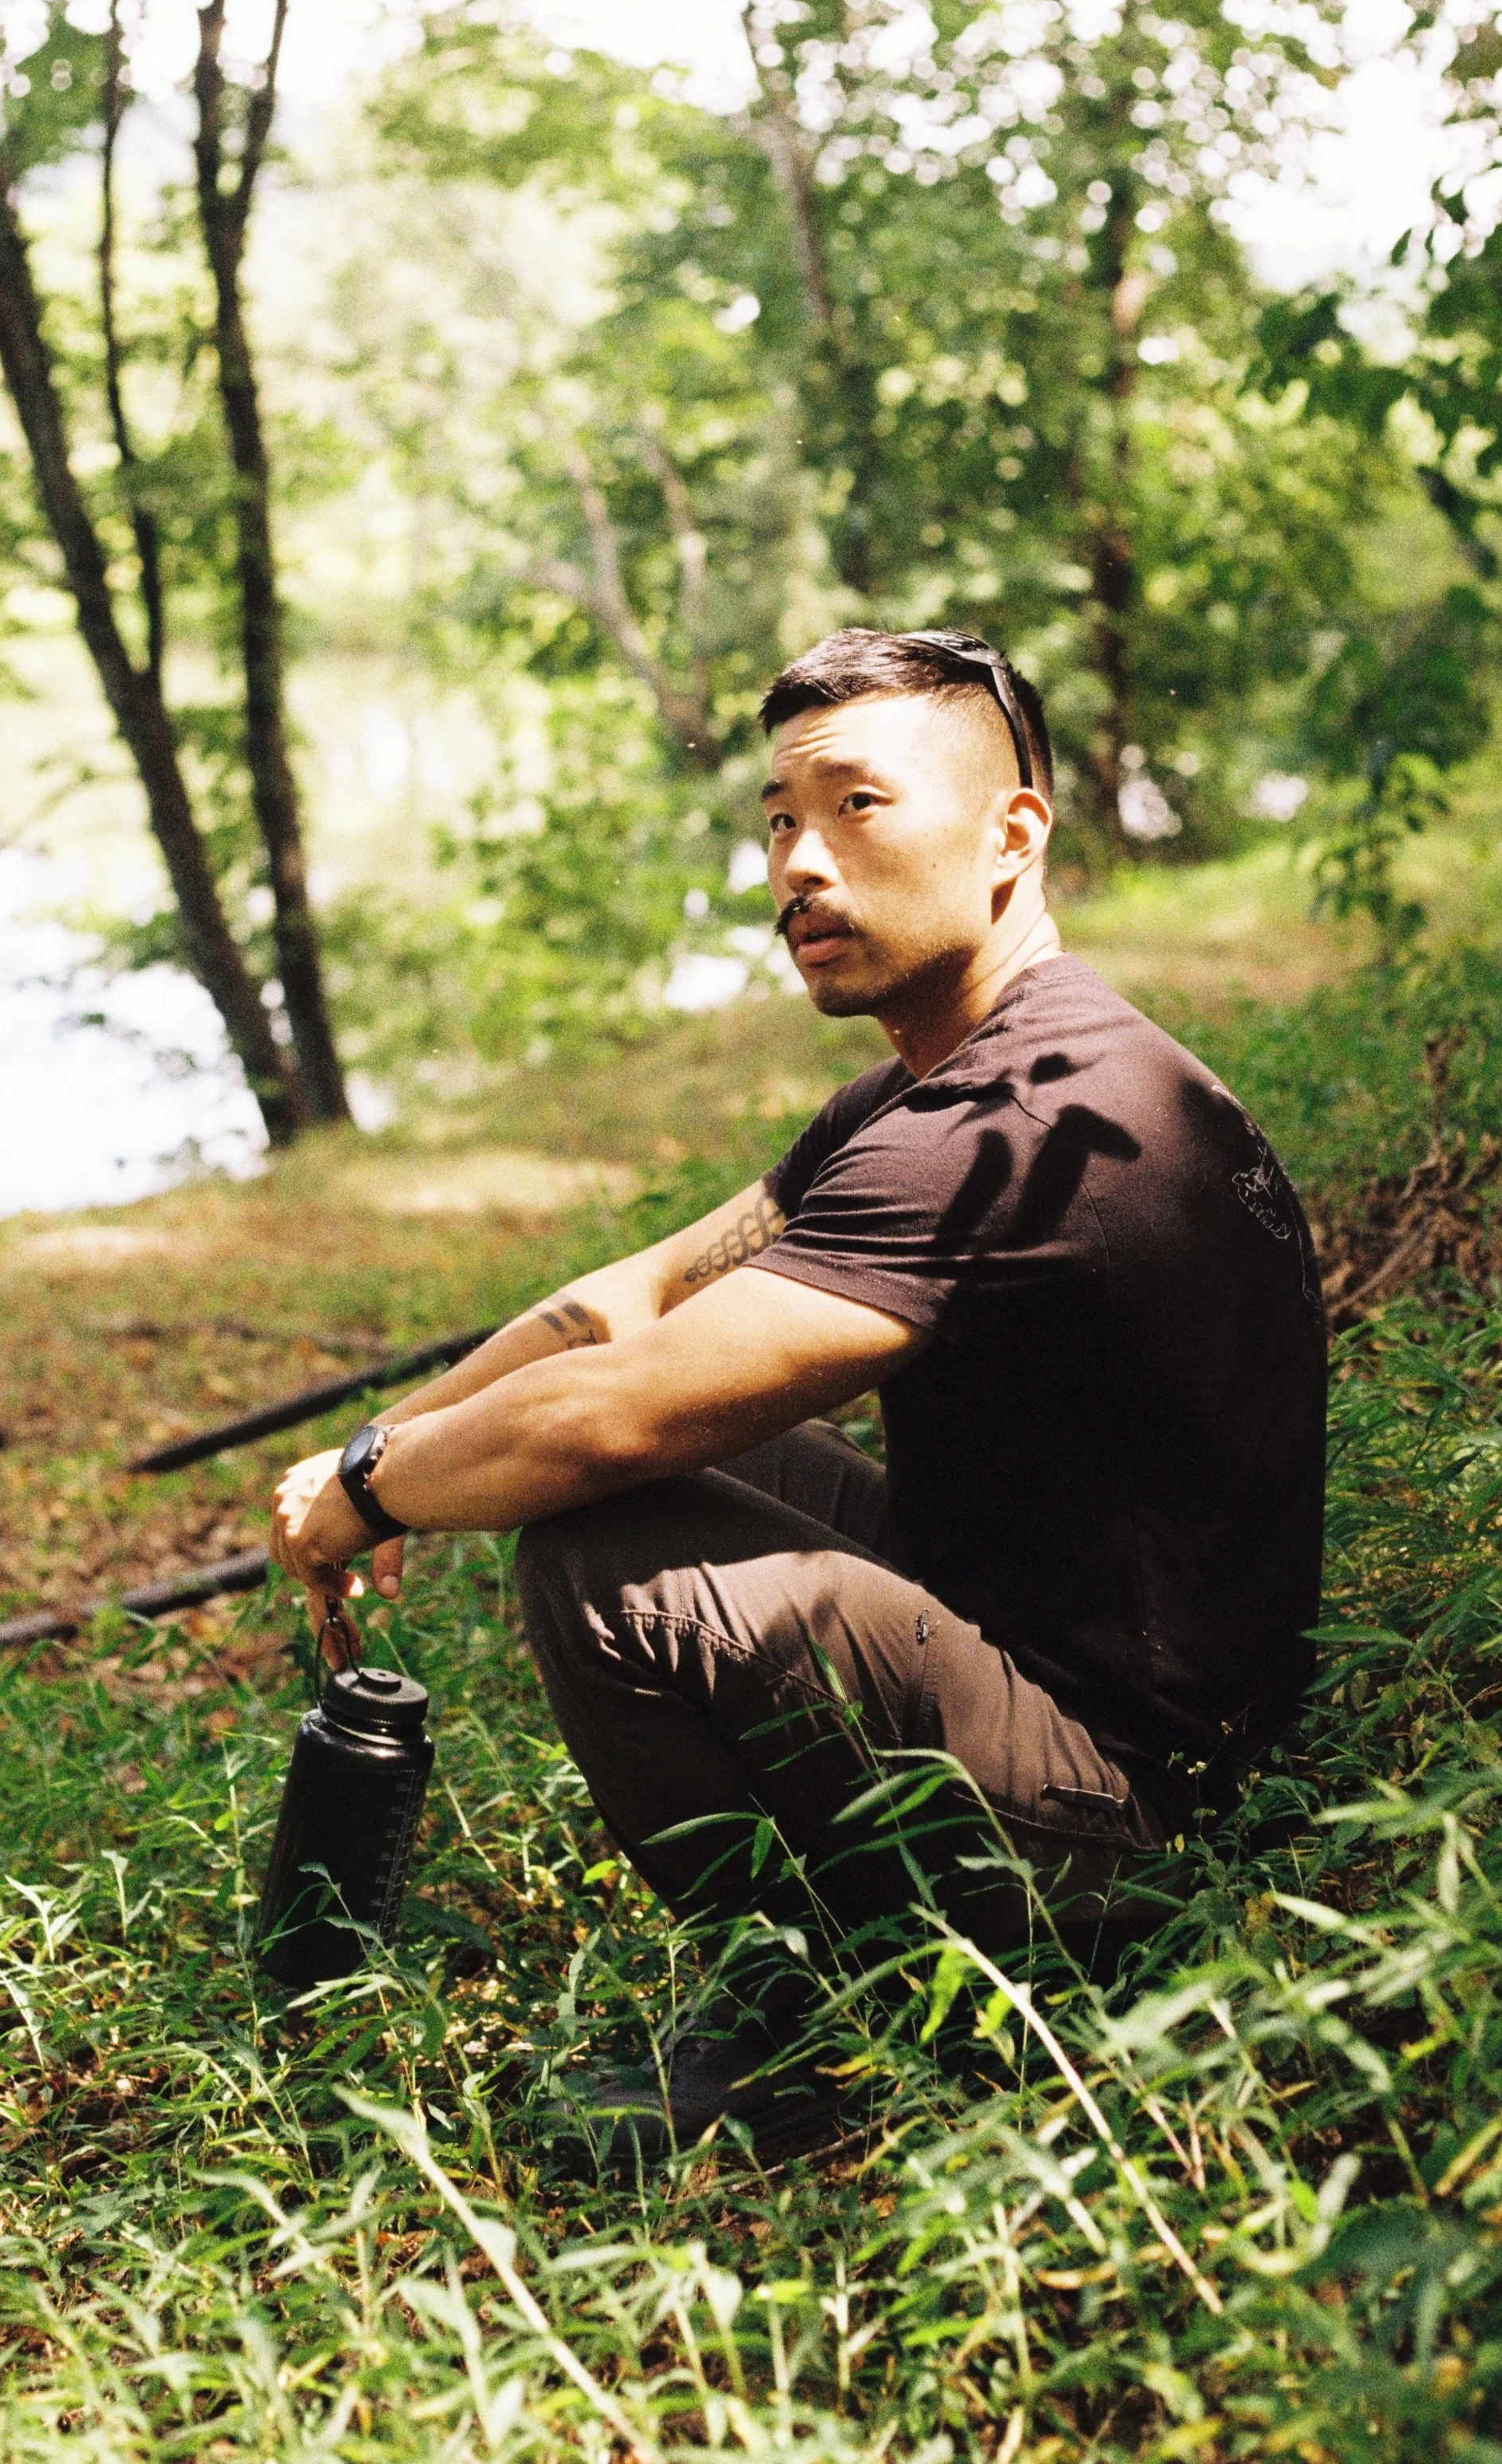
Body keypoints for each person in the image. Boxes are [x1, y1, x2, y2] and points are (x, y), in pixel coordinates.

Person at [268, 627, 1326, 2155]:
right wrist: (386, 1447)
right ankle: (852, 1977)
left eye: (858, 807)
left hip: (1138, 1812)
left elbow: (604, 1413)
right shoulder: (947, 1080)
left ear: (1011, 833)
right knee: (710, 1460)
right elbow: (620, 1307)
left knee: (598, 1544)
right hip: (1040, 1649)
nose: (798, 866)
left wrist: (371, 1490)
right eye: (778, 818)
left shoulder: (1014, 1123)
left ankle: (835, 2035)